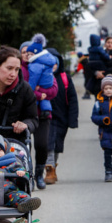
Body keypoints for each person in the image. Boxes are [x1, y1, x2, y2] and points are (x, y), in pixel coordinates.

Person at [20, 36, 58, 190]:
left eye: (28, 53)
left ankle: (38, 174)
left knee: (42, 145)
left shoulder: (43, 66)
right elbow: (22, 89)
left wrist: (40, 91)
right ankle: (25, 176)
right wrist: (36, 94)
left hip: (42, 114)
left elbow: (53, 89)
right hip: (24, 114)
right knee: (23, 147)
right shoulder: (18, 70)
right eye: (23, 53)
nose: (27, 55)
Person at [46, 48, 79, 184]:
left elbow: (72, 99)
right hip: (46, 117)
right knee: (49, 144)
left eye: (55, 62)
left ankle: (53, 167)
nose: (53, 65)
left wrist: (72, 119)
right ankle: (49, 169)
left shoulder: (65, 78)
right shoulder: (42, 77)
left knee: (57, 145)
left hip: (62, 118)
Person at [26, 34, 57, 116]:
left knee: (36, 100)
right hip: (48, 84)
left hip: (40, 84)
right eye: (27, 54)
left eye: (30, 54)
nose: (28, 56)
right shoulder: (46, 61)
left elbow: (33, 78)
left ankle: (34, 108)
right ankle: (46, 110)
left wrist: (30, 88)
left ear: (36, 53)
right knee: (45, 99)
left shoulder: (35, 64)